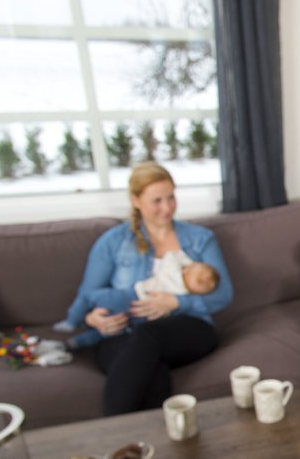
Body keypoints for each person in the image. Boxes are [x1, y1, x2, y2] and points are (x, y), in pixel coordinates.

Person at [67, 162, 233, 415]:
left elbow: (224, 294)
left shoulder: (200, 239)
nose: (167, 208)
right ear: (136, 200)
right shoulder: (113, 242)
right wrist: (94, 320)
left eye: (171, 198)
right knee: (150, 366)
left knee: (147, 336)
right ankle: (152, 449)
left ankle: (111, 433)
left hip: (188, 327)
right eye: (157, 201)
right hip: (123, 332)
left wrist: (177, 303)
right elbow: (88, 294)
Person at [56, 253, 220, 350]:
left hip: (139, 312)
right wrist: (89, 319)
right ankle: (74, 328)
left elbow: (221, 295)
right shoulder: (175, 274)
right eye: (202, 277)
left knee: (111, 330)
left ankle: (74, 333)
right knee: (100, 318)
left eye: (206, 284)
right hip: (132, 303)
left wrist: (177, 303)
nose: (205, 281)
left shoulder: (183, 288)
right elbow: (172, 257)